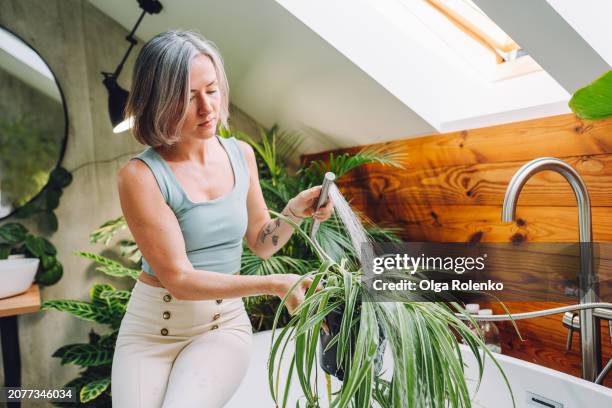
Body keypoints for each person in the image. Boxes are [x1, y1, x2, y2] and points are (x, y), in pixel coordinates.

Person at [111, 30, 334, 407]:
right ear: (160, 101)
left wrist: (295, 211)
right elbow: (179, 279)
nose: (207, 108)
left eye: (211, 91)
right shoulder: (140, 176)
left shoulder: (240, 155)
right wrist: (277, 284)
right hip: (151, 332)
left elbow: (262, 243)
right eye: (188, 98)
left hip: (220, 326)